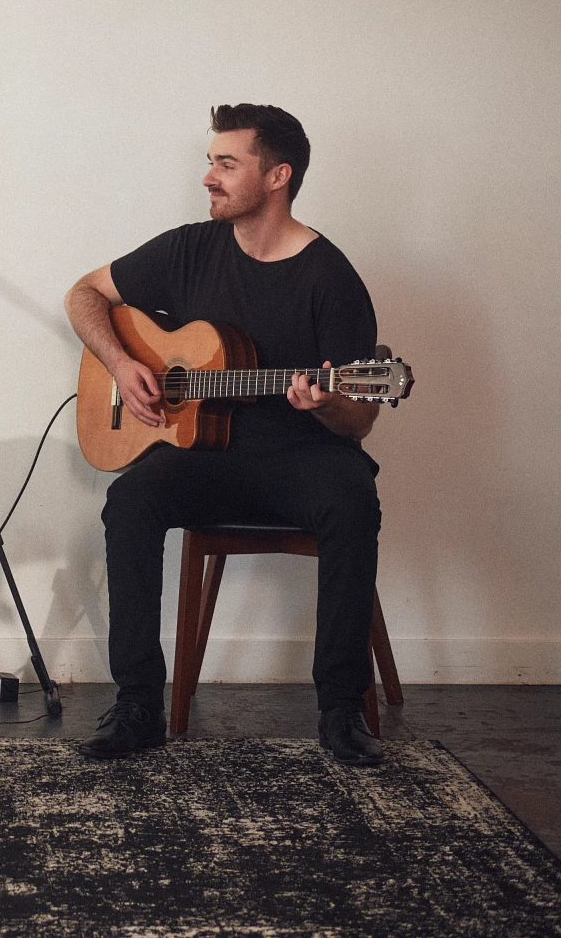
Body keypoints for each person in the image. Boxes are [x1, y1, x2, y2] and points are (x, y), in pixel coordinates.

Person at [63, 105, 387, 767]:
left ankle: (340, 708)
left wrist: (327, 404)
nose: (208, 176)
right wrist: (121, 363)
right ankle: (137, 705)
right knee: (130, 499)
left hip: (302, 459)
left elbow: (360, 419)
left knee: (353, 498)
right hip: (206, 458)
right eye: (211, 161)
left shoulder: (330, 278)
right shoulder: (190, 249)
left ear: (277, 176)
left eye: (226, 163)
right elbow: (84, 294)